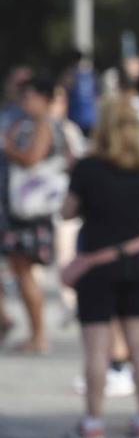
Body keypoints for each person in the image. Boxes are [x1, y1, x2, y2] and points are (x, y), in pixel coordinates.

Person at [57, 94, 139, 438]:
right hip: (137, 260)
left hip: (97, 265)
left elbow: (68, 212)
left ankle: (93, 426)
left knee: (97, 348)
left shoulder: (87, 169)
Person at [3, 75, 70, 354]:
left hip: (31, 212)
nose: (25, 102)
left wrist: (7, 149)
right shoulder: (31, 124)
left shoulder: (45, 125)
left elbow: (31, 159)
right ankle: (33, 332)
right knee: (20, 270)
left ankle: (38, 335)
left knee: (24, 271)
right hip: (26, 208)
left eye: (30, 96)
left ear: (44, 99)